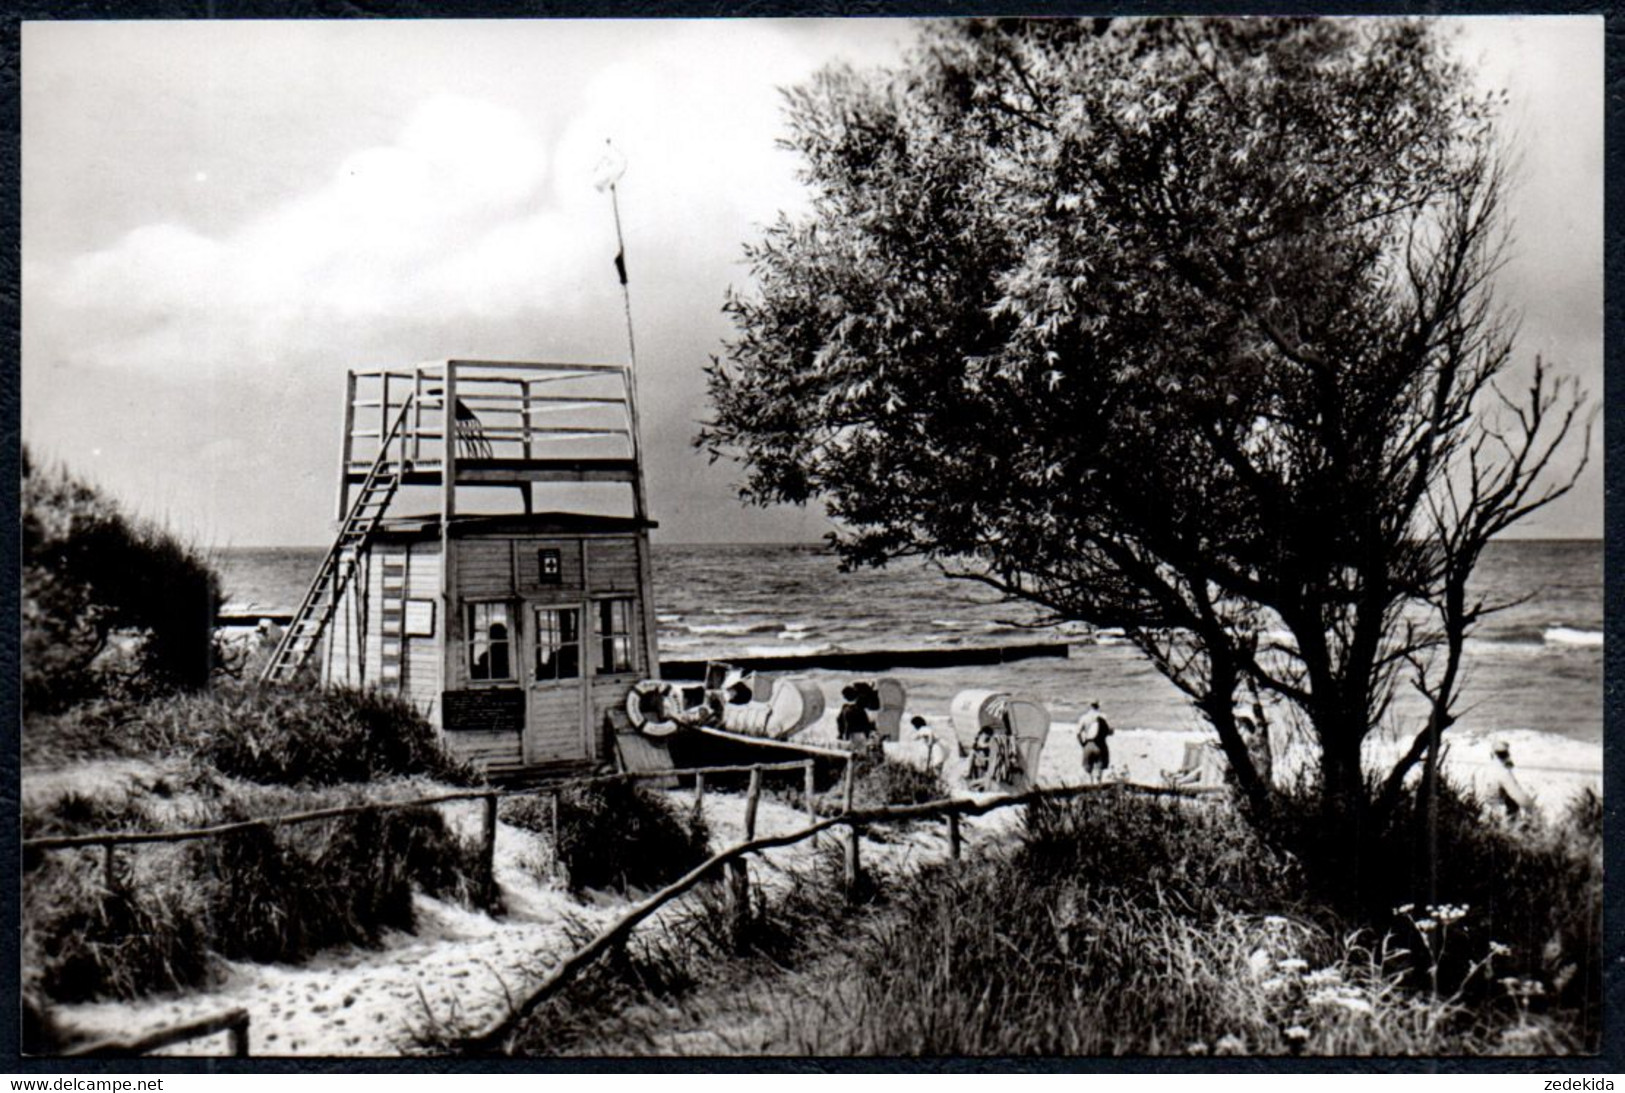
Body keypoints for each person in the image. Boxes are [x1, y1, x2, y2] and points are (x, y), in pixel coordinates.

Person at [1488, 740, 1536, 825]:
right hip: (1496, 816)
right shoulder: (1503, 772)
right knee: (1514, 803)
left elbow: (1510, 766)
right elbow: (1521, 798)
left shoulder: (1483, 769)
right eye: (1505, 754)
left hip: (1482, 811)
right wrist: (1534, 810)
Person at [1077, 701, 1112, 783]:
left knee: (1087, 771)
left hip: (1088, 744)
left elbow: (1078, 733)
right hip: (1100, 745)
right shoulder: (1103, 716)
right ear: (1098, 706)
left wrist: (1082, 744)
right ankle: (1097, 786)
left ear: (1089, 706)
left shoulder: (1084, 717)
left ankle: (1089, 786)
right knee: (1099, 771)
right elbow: (1109, 731)